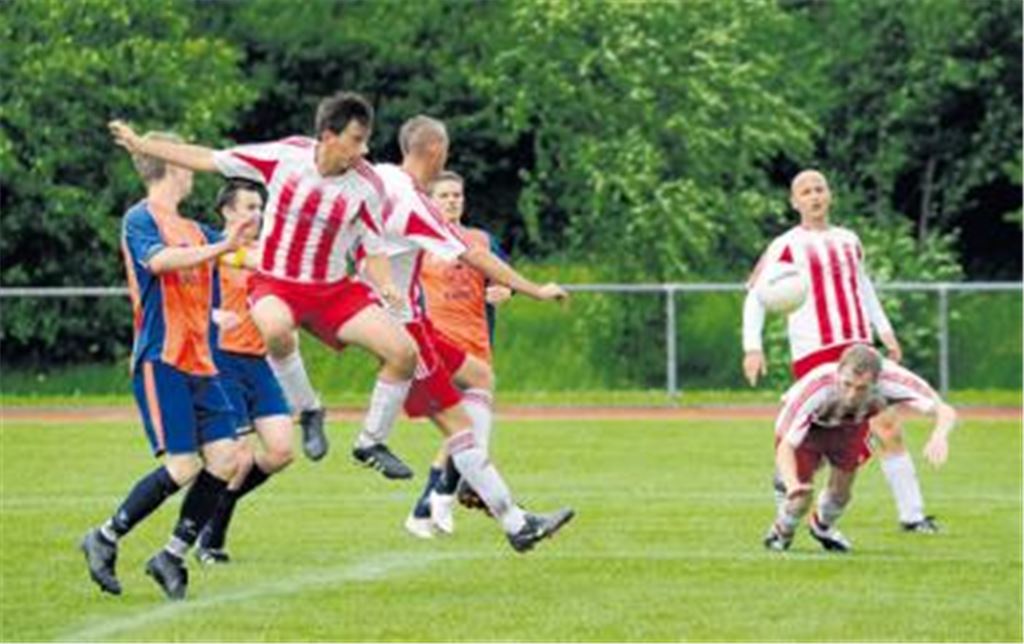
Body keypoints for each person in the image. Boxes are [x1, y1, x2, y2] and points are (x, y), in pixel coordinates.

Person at [108, 92, 420, 480]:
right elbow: (209, 158)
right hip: (276, 281)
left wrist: (387, 285)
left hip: (333, 290)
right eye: (356, 140)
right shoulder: (285, 157)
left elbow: (374, 250)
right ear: (328, 135)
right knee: (274, 328)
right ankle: (308, 409)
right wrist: (141, 144)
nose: (365, 149)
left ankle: (370, 442)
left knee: (404, 353)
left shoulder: (369, 187)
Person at [361, 114, 574, 552]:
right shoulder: (415, 205)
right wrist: (534, 289)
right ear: (436, 151)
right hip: (400, 330)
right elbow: (476, 257)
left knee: (479, 379)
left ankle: (474, 496)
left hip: (404, 322)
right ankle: (508, 519)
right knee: (461, 431)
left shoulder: (382, 176)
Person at [80, 131, 253, 600]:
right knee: (182, 466)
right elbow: (161, 262)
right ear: (171, 166)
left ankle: (171, 556)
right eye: (185, 161)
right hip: (163, 359)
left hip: (199, 362)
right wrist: (223, 248)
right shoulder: (140, 218)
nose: (192, 168)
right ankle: (104, 537)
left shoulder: (197, 228)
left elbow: (246, 256)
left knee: (228, 458)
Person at [742, 169, 940, 533]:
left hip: (859, 347)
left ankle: (912, 516)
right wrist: (752, 347)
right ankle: (789, 481)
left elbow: (862, 286)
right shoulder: (786, 244)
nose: (814, 196)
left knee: (888, 426)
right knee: (822, 437)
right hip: (816, 351)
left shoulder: (849, 240)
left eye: (820, 189)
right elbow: (757, 294)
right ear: (795, 201)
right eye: (806, 191)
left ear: (829, 195)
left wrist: (885, 332)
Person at [764, 344, 955, 552]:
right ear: (839, 372)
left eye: (861, 388)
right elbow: (786, 445)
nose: (851, 395)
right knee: (800, 498)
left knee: (841, 495)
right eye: (846, 384)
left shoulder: (895, 381)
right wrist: (793, 485)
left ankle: (822, 527)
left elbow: (943, 409)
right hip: (810, 428)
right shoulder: (816, 386)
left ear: (877, 380)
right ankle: (782, 530)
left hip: (850, 427)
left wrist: (939, 435)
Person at [194, 178, 294, 565]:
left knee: (282, 451)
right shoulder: (210, 251)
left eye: (260, 207)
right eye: (249, 207)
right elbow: (177, 298)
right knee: (238, 456)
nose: (257, 214)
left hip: (259, 363)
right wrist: (210, 314)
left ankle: (216, 509)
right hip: (221, 362)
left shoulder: (266, 253)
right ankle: (210, 540)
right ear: (227, 212)